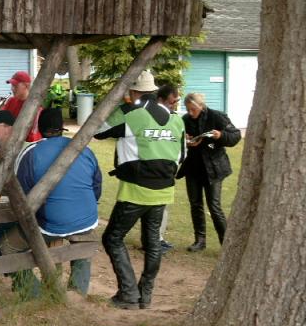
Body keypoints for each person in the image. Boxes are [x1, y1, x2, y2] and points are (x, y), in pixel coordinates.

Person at [95, 70, 185, 310]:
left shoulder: (132, 115)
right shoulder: (176, 120)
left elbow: (97, 130)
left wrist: (119, 105)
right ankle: (145, 295)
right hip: (164, 191)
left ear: (133, 92)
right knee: (153, 242)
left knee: (112, 238)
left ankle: (128, 293)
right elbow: (182, 156)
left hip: (135, 190)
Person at [0, 108, 102, 297]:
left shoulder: (31, 153)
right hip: (87, 218)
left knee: (7, 246)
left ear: (39, 128)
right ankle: (78, 292)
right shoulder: (84, 149)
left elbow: (22, 197)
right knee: (83, 237)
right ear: (62, 128)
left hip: (50, 223)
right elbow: (96, 188)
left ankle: (34, 293)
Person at [177, 92, 241, 251]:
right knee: (195, 204)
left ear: (201, 106)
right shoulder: (185, 120)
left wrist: (221, 135)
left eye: (193, 109)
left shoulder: (217, 116)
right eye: (188, 109)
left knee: (214, 206)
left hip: (214, 168)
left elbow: (235, 136)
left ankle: (226, 244)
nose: (190, 112)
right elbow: (179, 139)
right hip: (193, 167)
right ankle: (200, 241)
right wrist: (186, 141)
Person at [154, 84, 181, 254]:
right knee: (154, 208)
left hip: (168, 171)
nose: (174, 105)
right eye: (171, 102)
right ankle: (153, 241)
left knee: (163, 207)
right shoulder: (150, 117)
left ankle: (159, 239)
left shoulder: (175, 119)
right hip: (153, 171)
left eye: (176, 101)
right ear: (160, 100)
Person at [0, 71, 42, 142]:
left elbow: (33, 137)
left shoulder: (34, 107)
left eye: (15, 86)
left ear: (26, 86)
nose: (12, 89)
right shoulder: (11, 101)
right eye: (12, 85)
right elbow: (0, 123)